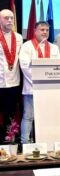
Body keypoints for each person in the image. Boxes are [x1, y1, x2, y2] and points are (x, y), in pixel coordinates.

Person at [19, 21, 60, 144]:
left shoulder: (54, 47)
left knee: (46, 117)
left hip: (48, 90)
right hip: (31, 88)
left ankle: (46, 143)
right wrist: (38, 82)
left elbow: (58, 67)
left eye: (47, 30)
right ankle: (25, 144)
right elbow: (25, 66)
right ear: (35, 31)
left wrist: (47, 83)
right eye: (42, 30)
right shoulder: (27, 46)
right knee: (28, 117)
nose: (45, 32)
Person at [0, 9, 23, 143]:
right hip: (0, 82)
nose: (9, 21)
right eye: (6, 18)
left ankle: (9, 141)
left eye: (11, 18)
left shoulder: (19, 37)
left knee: (10, 114)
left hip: (14, 83)